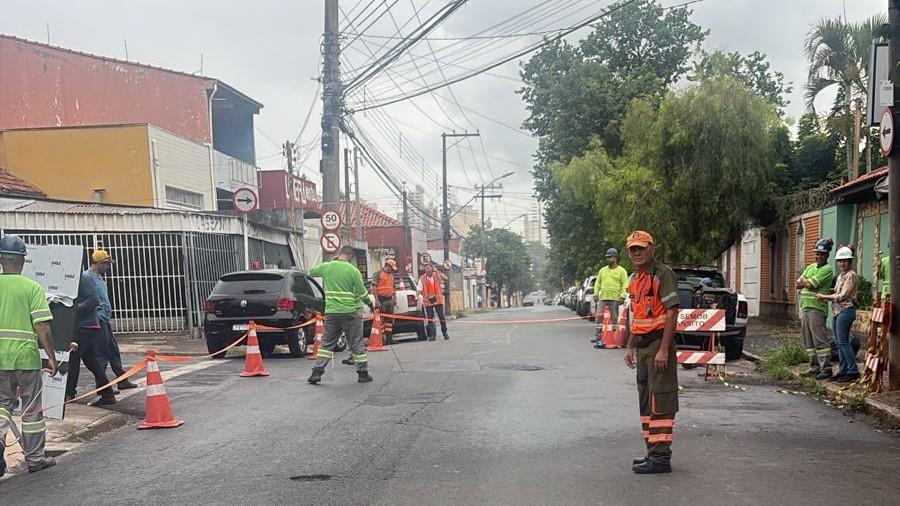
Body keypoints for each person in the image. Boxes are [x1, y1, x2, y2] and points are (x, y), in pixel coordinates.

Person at [622, 231, 680, 474]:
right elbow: (639, 315)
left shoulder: (662, 275)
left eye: (641, 248)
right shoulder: (635, 279)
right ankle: (652, 451)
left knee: (661, 400)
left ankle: (661, 457)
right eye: (633, 249)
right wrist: (629, 345)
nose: (637, 253)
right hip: (643, 346)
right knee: (645, 400)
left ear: (651, 250)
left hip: (658, 344)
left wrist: (664, 350)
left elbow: (671, 312)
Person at [0, 235, 58, 475]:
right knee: (32, 409)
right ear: (23, 260)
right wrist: (52, 357)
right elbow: (42, 327)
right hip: (25, 358)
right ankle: (35, 459)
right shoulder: (32, 288)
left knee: (3, 404)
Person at [308, 246, 374, 385]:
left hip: (332, 312)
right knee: (356, 343)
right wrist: (370, 303)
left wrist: (330, 263)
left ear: (339, 254)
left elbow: (311, 272)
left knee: (326, 344)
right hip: (351, 313)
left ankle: (316, 372)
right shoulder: (353, 270)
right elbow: (362, 292)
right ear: (350, 256)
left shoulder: (328, 267)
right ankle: (363, 373)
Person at [83, 250, 137, 391]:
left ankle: (121, 379)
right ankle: (103, 386)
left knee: (113, 351)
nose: (108, 267)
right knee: (101, 354)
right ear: (99, 263)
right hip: (97, 320)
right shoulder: (86, 277)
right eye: (106, 264)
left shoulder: (99, 278)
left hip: (104, 319)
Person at [69, 257, 117, 406]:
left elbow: (94, 300)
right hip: (84, 326)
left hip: (85, 326)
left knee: (73, 358)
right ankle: (107, 393)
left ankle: (69, 393)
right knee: (92, 361)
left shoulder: (83, 279)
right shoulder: (78, 280)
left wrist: (73, 311)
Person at [817, 246, 859, 383]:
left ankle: (852, 370)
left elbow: (843, 295)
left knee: (843, 342)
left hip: (846, 310)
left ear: (850, 261)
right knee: (839, 343)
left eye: (845, 261)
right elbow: (836, 292)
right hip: (837, 311)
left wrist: (825, 296)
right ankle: (843, 370)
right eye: (840, 261)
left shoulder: (851, 275)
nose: (842, 264)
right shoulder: (841, 276)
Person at [797, 238, 835, 380]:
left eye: (822, 254)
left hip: (817, 308)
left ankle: (826, 368)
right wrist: (805, 282)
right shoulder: (811, 267)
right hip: (806, 306)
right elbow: (798, 283)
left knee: (820, 340)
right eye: (817, 253)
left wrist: (806, 282)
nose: (819, 256)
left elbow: (812, 284)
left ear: (827, 256)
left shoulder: (827, 269)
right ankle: (814, 367)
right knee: (808, 341)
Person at [592, 248, 629, 343]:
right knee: (599, 317)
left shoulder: (621, 271)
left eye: (610, 257)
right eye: (607, 258)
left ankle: (614, 337)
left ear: (615, 258)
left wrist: (622, 296)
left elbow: (625, 284)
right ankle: (598, 336)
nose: (608, 259)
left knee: (614, 319)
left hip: (615, 299)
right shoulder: (603, 270)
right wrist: (596, 294)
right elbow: (597, 283)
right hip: (603, 298)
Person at [418, 262, 449, 341]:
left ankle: (445, 333)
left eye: (429, 268)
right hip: (428, 301)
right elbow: (419, 289)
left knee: (441, 317)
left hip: (438, 300)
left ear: (432, 269)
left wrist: (437, 271)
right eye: (426, 268)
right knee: (430, 318)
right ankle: (432, 335)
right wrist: (417, 294)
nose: (428, 270)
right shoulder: (422, 278)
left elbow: (445, 278)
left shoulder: (436, 275)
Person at [372, 258, 399, 344]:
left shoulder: (391, 275)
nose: (392, 271)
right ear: (387, 266)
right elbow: (373, 287)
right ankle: (382, 339)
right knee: (381, 321)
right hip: (381, 300)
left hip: (389, 300)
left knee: (389, 321)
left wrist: (395, 298)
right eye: (391, 268)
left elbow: (393, 288)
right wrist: (376, 300)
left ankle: (389, 338)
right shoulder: (378, 274)